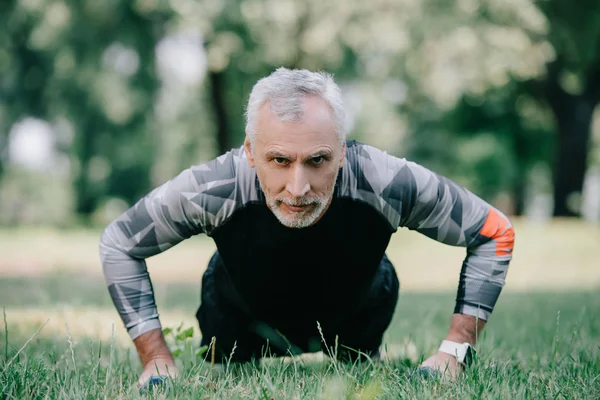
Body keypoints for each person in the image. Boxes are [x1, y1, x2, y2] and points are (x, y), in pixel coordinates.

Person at [99, 67, 515, 386]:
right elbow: (120, 243)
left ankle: (356, 356)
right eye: (279, 160)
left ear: (342, 152)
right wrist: (155, 358)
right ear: (249, 152)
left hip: (354, 320)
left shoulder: (384, 180)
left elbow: (494, 231)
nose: (298, 188)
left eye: (317, 160)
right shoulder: (215, 187)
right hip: (238, 324)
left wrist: (455, 350)